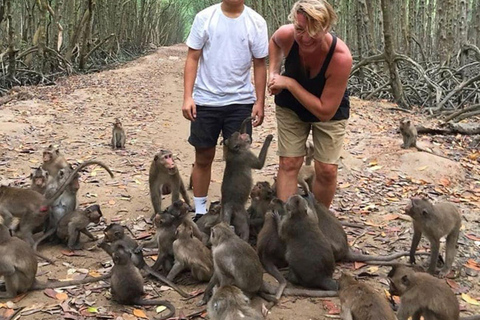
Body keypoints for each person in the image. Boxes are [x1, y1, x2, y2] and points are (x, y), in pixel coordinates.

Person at [182, 0, 268, 221]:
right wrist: (188, 96)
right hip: (206, 100)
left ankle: (235, 212)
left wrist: (259, 101)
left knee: (238, 160)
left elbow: (260, 63)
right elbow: (193, 56)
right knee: (203, 155)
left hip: (240, 102)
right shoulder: (205, 17)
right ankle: (200, 210)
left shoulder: (256, 22)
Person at [268, 0, 352, 208]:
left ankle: (318, 222)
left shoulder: (340, 58)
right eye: (300, 29)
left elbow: (324, 111)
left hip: (328, 107)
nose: (305, 38)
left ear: (326, 28)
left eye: (313, 32)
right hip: (291, 106)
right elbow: (274, 41)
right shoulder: (287, 35)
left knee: (326, 169)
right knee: (289, 163)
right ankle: (287, 222)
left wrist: (288, 82)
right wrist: (274, 73)